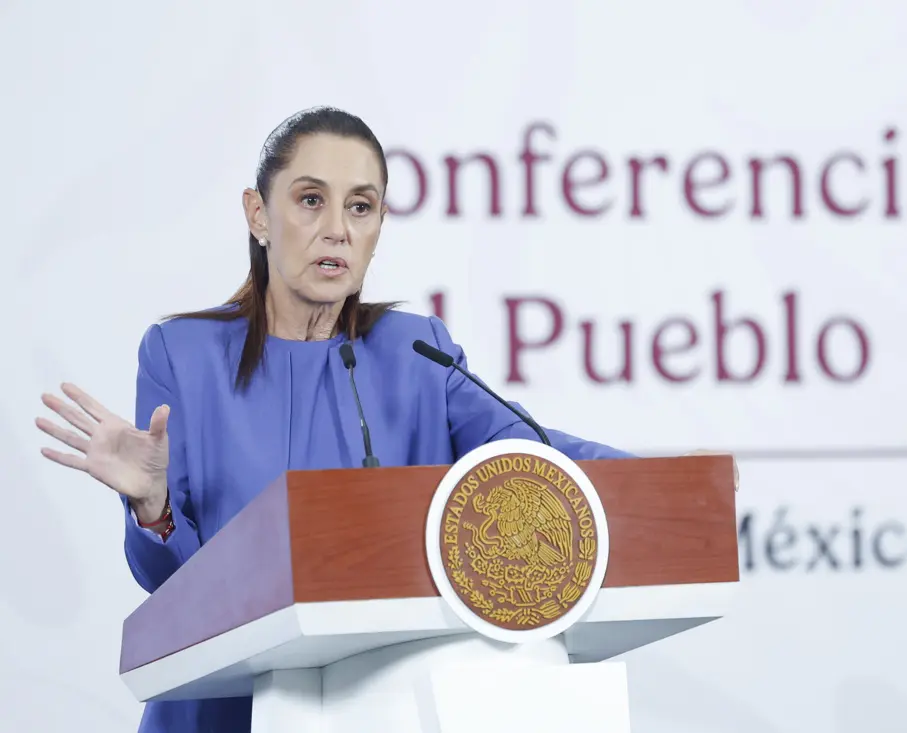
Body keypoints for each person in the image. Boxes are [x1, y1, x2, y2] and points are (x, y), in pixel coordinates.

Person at [35, 106, 736, 733]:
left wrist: (666, 486)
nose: (337, 229)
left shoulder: (415, 351)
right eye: (311, 200)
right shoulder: (182, 353)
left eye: (361, 207)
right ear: (258, 214)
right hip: (220, 714)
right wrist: (153, 504)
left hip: (378, 709)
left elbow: (534, 455)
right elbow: (168, 581)